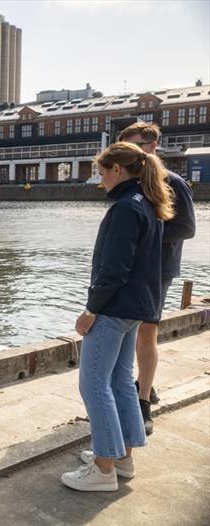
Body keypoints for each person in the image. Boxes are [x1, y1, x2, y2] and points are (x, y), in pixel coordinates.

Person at [61, 142, 174, 492]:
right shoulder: (148, 204)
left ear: (117, 170)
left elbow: (113, 268)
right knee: (120, 381)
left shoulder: (126, 209)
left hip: (113, 308)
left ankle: (103, 466)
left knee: (93, 383)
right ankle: (122, 456)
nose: (100, 180)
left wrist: (91, 309)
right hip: (136, 308)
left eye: (102, 172)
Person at [117, 122, 195, 436]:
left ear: (151, 145)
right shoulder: (130, 182)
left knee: (146, 333)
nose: (129, 155)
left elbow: (186, 228)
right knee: (125, 331)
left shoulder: (172, 182)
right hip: (129, 268)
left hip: (158, 269)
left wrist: (145, 235)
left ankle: (143, 399)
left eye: (134, 147)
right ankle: (134, 386)